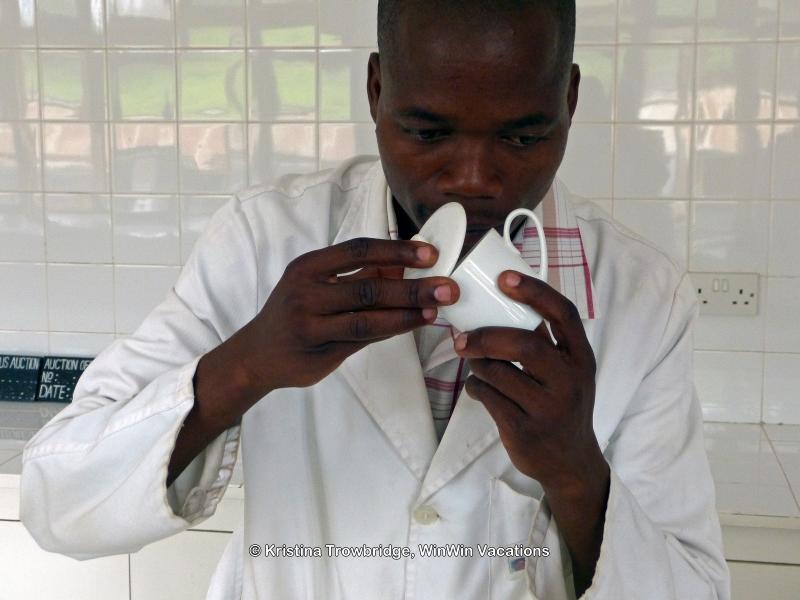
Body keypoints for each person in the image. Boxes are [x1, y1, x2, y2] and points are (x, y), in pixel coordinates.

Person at [20, 0, 730, 598]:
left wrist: (576, 475)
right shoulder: (265, 242)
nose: (472, 179)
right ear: (375, 90)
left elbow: (695, 587)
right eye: (427, 132)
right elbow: (57, 500)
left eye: (523, 135)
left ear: (569, 100)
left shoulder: (643, 298)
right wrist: (246, 367)